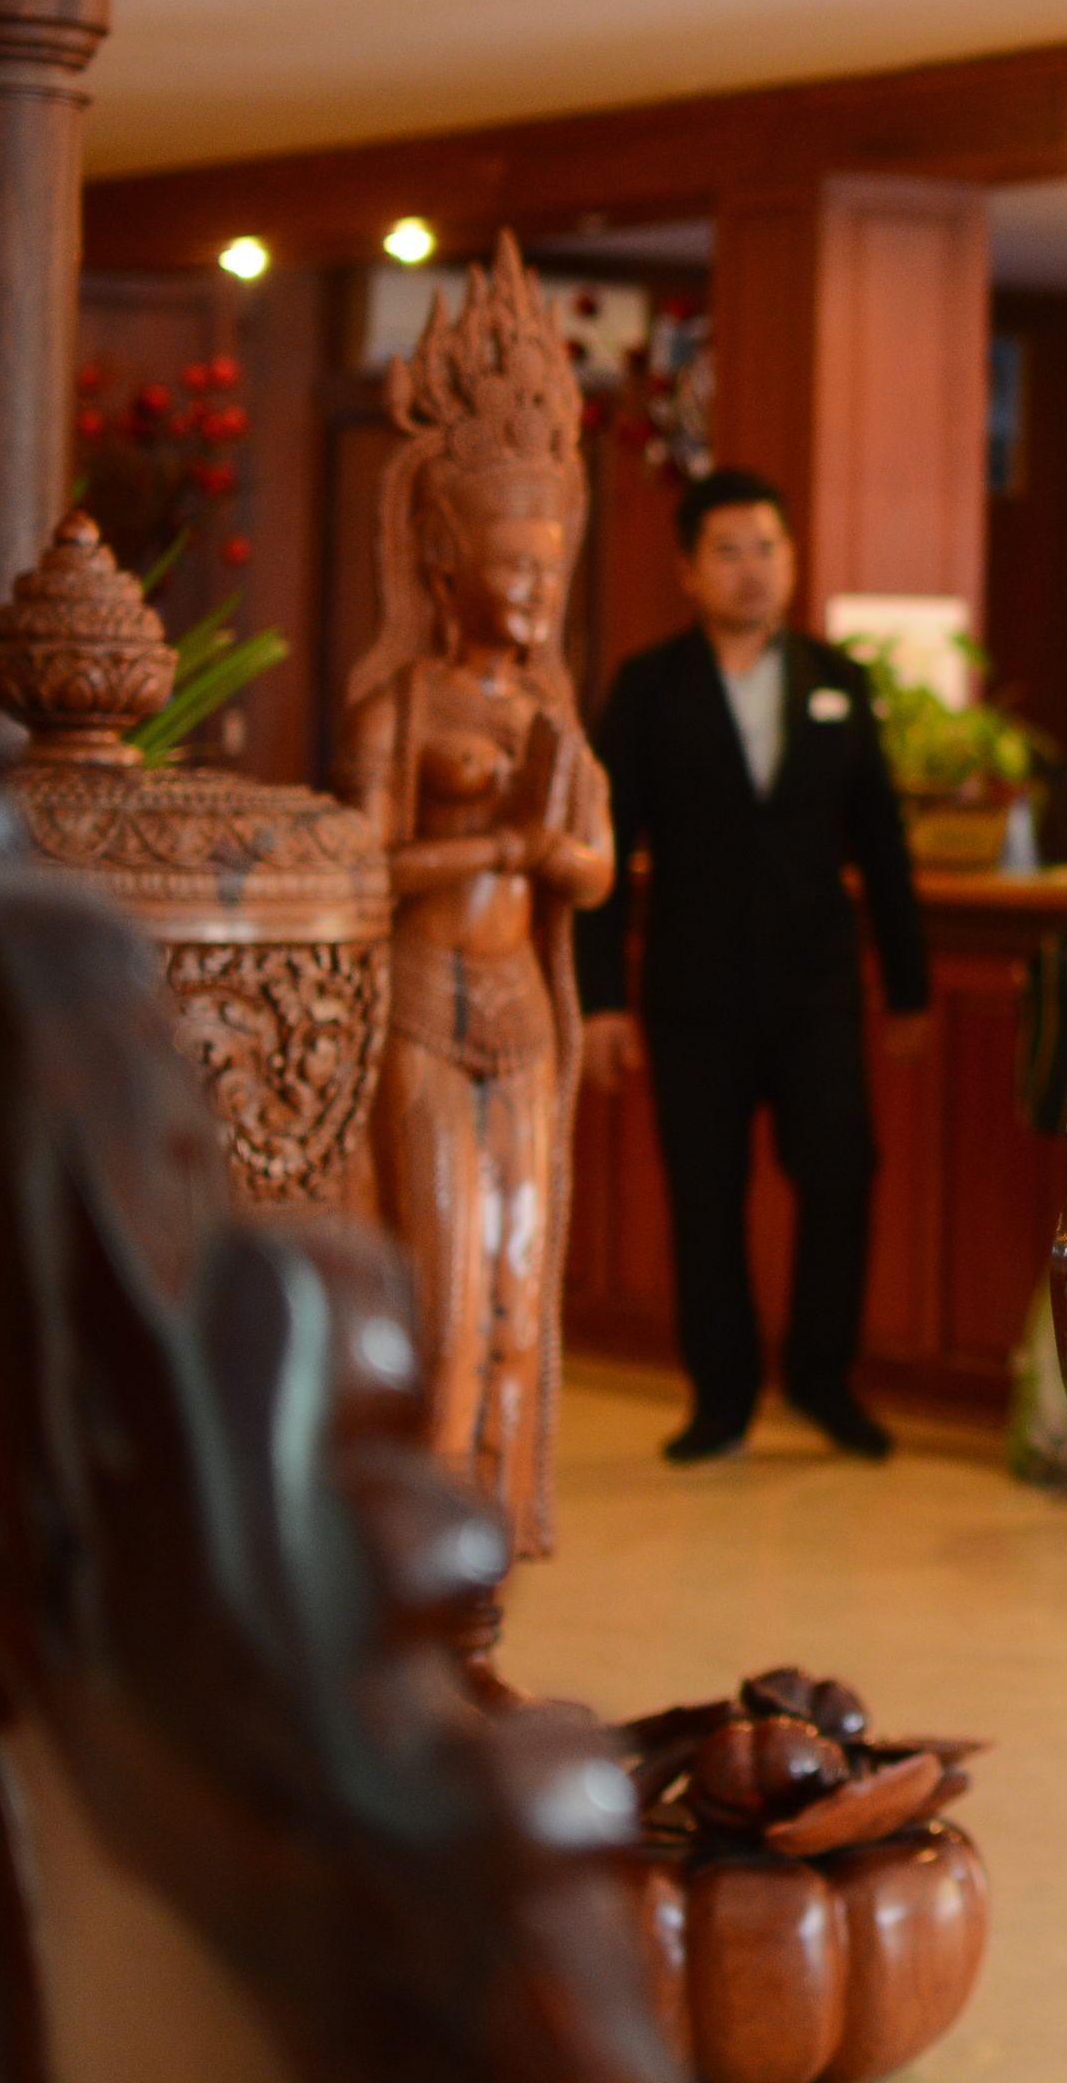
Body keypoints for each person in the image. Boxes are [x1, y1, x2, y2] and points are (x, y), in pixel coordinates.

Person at [338, 243, 616, 1572]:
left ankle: (488, 1550)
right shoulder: (399, 705)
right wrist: (489, 845)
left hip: (520, 1012)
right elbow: (364, 866)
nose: (529, 595)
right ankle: (413, 1540)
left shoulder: (551, 713)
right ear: (444, 564)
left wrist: (557, 853)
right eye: (507, 569)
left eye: (547, 574)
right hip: (421, 1007)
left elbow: (599, 864)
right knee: (442, 1297)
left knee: (516, 1297)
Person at [576, 468, 931, 1465]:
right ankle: (720, 1398)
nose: (752, 569)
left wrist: (907, 985)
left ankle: (823, 1379)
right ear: (689, 571)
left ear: (792, 560)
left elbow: (882, 842)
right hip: (691, 994)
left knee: (840, 1178)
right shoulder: (650, 688)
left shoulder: (834, 678)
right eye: (728, 551)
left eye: (768, 548)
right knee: (705, 1194)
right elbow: (602, 851)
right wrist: (600, 997)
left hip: (817, 989)